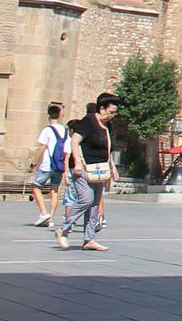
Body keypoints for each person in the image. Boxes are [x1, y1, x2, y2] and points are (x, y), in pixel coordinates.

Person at [53, 92, 117, 251]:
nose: (113, 116)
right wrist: (78, 163)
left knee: (95, 205)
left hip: (99, 170)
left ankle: (89, 239)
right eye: (111, 112)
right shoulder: (89, 121)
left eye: (115, 113)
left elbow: (107, 149)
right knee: (87, 199)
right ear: (101, 109)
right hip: (83, 169)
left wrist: (113, 167)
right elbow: (75, 140)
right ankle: (64, 228)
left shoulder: (107, 125)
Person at [29, 103, 66, 227]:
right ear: (60, 115)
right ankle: (51, 218)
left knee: (36, 186)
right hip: (59, 165)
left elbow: (42, 147)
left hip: (47, 164)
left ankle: (44, 213)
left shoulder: (47, 130)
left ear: (48, 115)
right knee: (54, 190)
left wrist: (33, 163)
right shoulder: (65, 130)